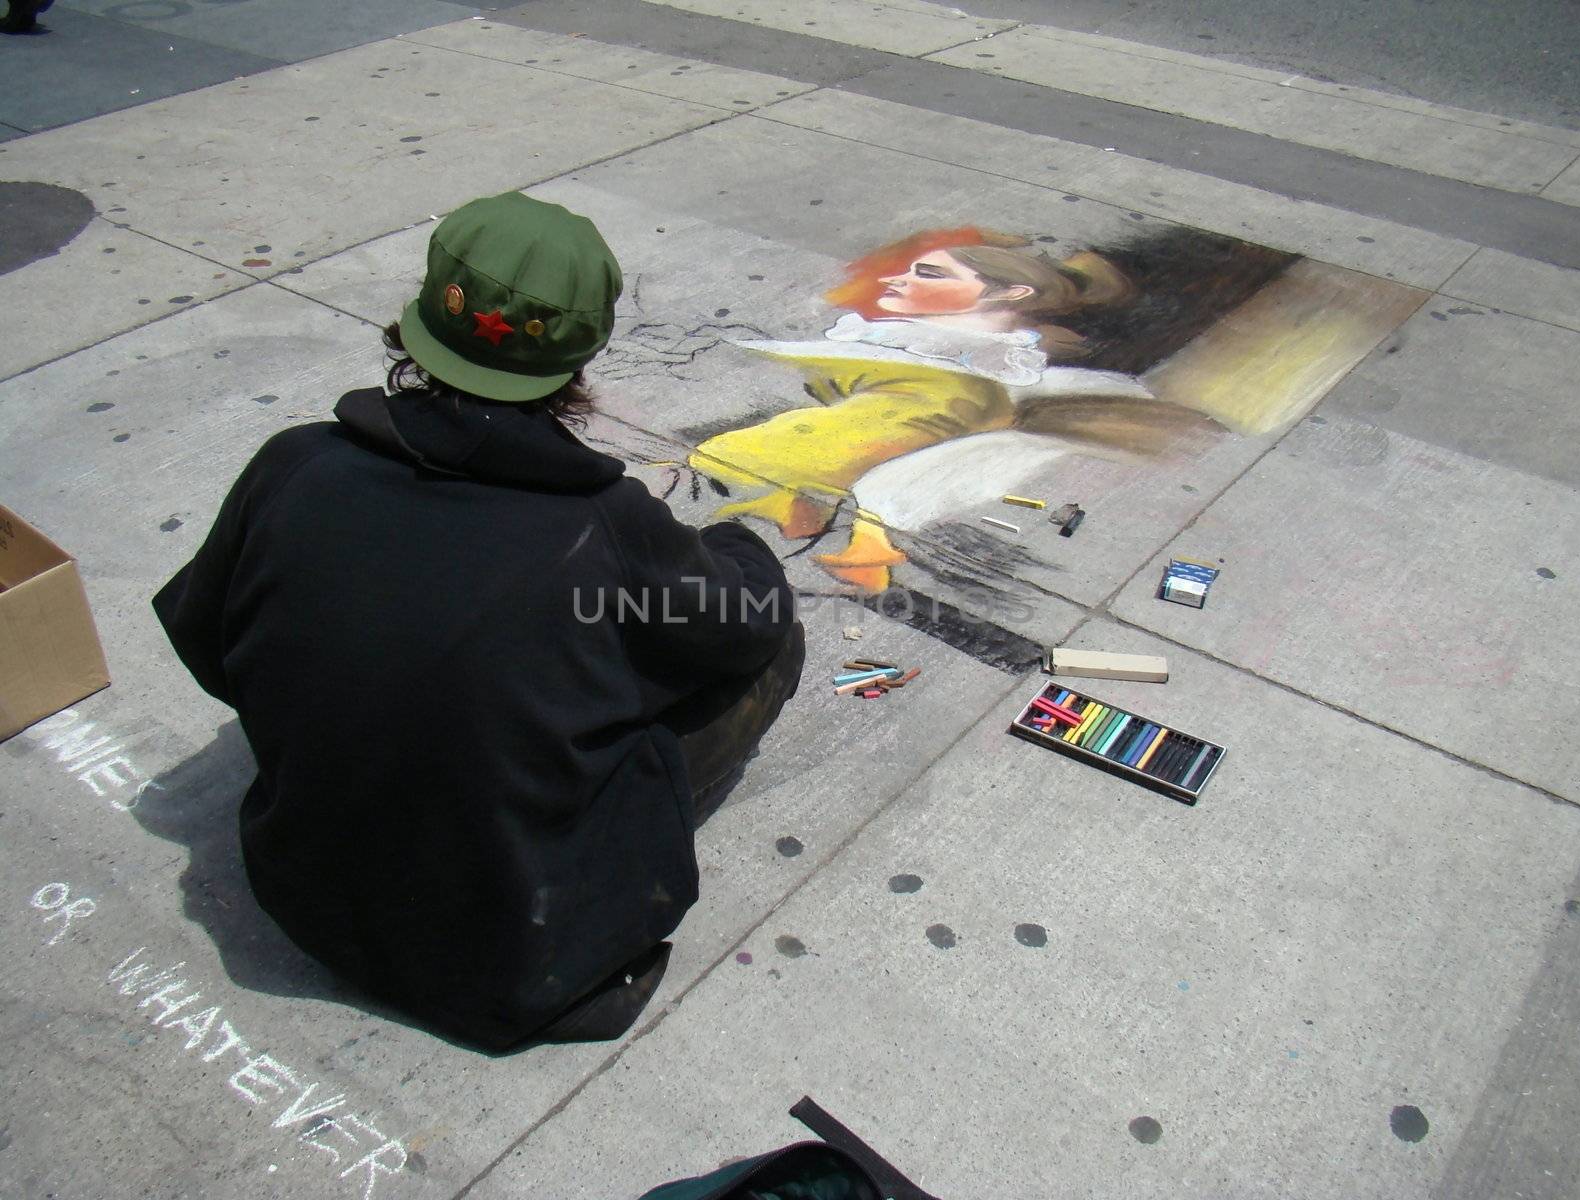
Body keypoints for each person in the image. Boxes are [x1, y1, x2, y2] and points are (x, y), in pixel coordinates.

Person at [153, 192, 803, 1052]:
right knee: (770, 639)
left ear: (424, 313)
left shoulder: (294, 464)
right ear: (582, 355)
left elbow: (209, 642)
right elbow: (746, 624)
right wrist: (737, 542)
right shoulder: (604, 526)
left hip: (305, 895)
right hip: (517, 960)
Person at [686, 231, 1218, 592]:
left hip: (816, 466)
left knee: (736, 458)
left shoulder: (972, 376)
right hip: (817, 471)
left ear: (1010, 292)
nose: (897, 280)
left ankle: (833, 522)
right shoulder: (920, 350)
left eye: (930, 274)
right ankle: (809, 510)